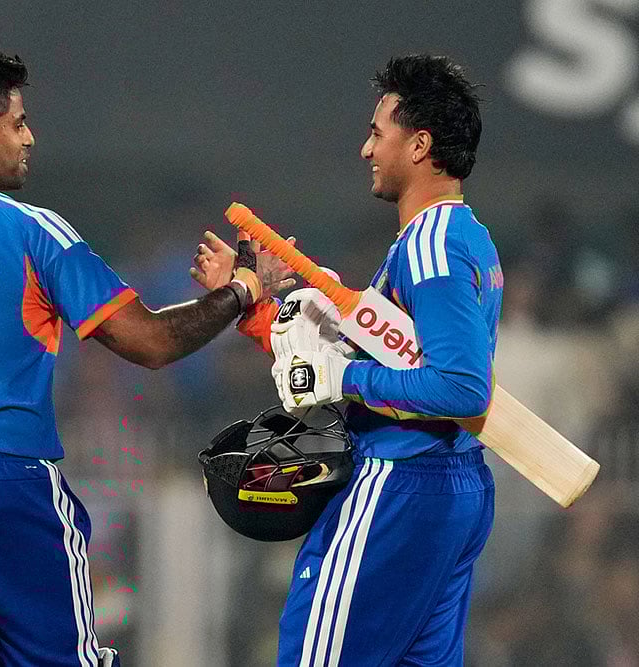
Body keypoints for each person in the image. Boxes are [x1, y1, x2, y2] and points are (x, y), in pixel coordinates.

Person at [0, 49, 292, 666]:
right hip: (4, 484)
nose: (29, 137)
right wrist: (242, 292)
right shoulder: (33, 230)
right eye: (17, 122)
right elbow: (149, 342)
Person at [192, 54, 500, 666]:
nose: (366, 150)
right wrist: (260, 313)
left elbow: (463, 389)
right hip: (449, 485)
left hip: (399, 484)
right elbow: (387, 355)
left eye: (377, 133)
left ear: (419, 144)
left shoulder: (433, 247)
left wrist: (344, 377)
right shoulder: (460, 237)